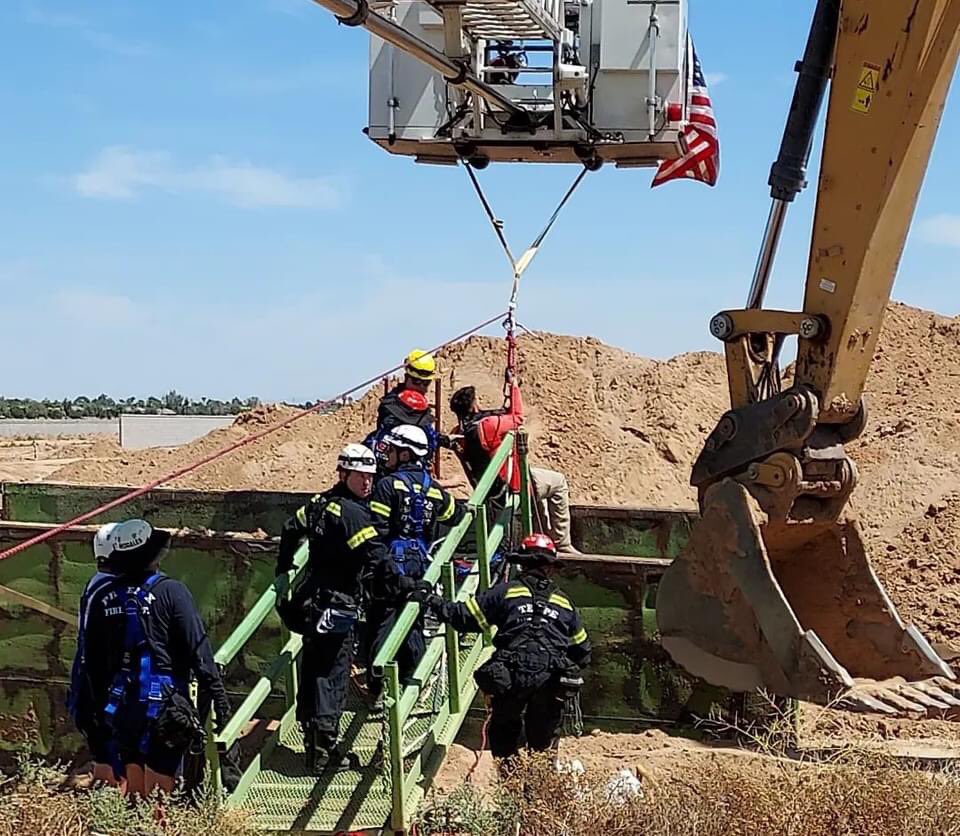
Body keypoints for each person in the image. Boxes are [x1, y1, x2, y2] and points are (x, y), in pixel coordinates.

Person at [68, 519, 230, 798]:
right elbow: (198, 651)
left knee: (135, 787)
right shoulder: (172, 592)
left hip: (121, 706)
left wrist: (97, 708)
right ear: (154, 555)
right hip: (165, 705)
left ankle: (133, 825)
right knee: (160, 791)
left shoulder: (103, 597)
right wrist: (220, 700)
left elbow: (93, 661)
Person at [407, 533, 591, 764]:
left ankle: (510, 790)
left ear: (522, 564)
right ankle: (538, 793)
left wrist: (431, 600)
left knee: (503, 738)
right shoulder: (565, 603)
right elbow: (582, 651)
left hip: (510, 678)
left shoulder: (504, 592)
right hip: (549, 681)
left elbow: (464, 618)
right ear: (551, 568)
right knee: (543, 745)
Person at [275, 443, 394, 773]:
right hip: (337, 604)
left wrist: (283, 571)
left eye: (371, 477)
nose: (367, 483)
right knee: (331, 674)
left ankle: (314, 747)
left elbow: (289, 529)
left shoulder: (318, 504)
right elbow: (375, 556)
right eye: (361, 476)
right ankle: (326, 752)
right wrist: (408, 588)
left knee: (313, 670)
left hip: (313, 602)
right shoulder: (353, 513)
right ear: (344, 474)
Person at [365, 424, 466, 697]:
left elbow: (377, 529)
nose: (389, 455)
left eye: (395, 450)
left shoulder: (387, 486)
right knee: (415, 621)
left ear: (406, 454)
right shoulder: (432, 489)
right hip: (422, 562)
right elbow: (455, 515)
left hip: (391, 561)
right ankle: (414, 682)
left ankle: (377, 686)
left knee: (383, 621)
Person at [449, 381, 580, 554]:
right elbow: (518, 418)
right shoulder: (487, 426)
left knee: (537, 500)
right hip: (514, 484)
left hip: (492, 491)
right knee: (558, 482)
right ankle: (562, 542)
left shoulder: (459, 433)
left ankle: (541, 537)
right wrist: (514, 387)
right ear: (473, 406)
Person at [364, 350, 450, 463]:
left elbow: (429, 434)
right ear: (407, 377)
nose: (422, 388)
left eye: (426, 383)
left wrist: (443, 439)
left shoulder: (420, 407)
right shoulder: (391, 405)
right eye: (416, 382)